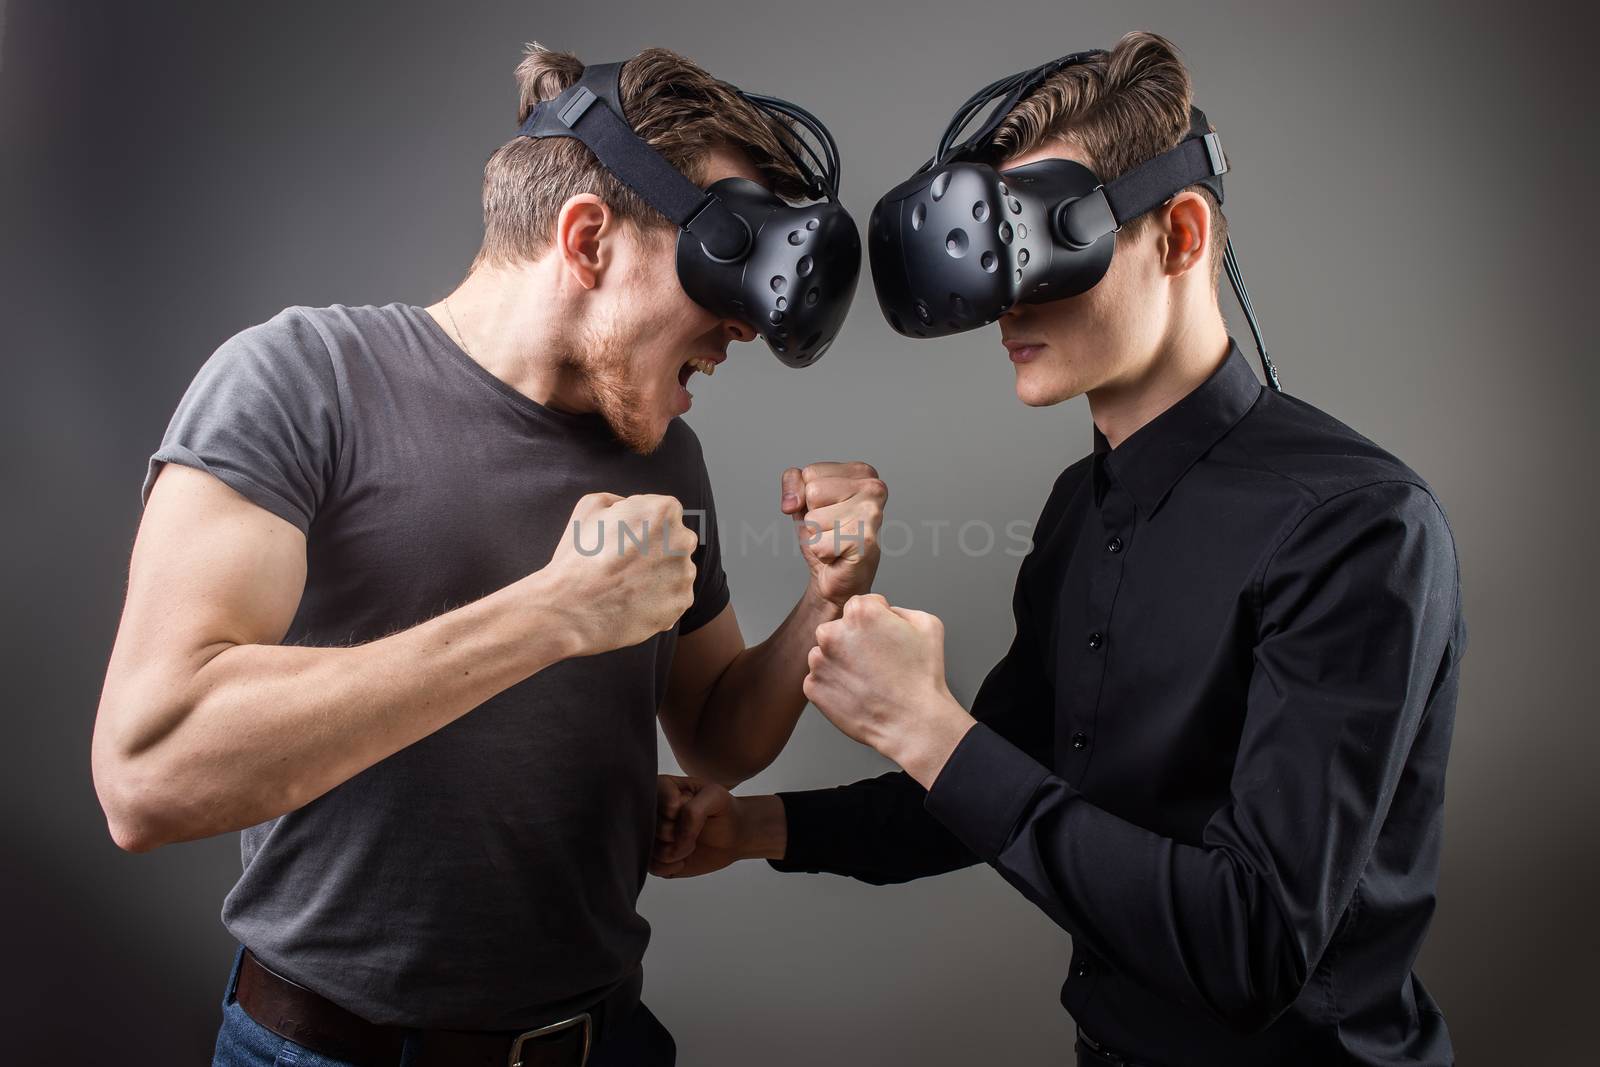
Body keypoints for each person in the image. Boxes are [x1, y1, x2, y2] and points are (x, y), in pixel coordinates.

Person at [654, 32, 1463, 1067]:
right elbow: (996, 786)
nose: (1004, 299)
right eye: (985, 252)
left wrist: (928, 726)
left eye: (1037, 242)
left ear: (1177, 233)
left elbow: (1253, 944)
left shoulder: (1356, 524)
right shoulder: (1080, 505)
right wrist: (751, 827)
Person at [90, 44, 886, 1067]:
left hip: (602, 1038)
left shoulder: (660, 452)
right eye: (725, 262)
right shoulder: (302, 381)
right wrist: (549, 614)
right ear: (588, 238)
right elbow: (148, 774)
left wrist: (827, 597)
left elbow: (718, 735)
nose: (743, 320)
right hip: (335, 1052)